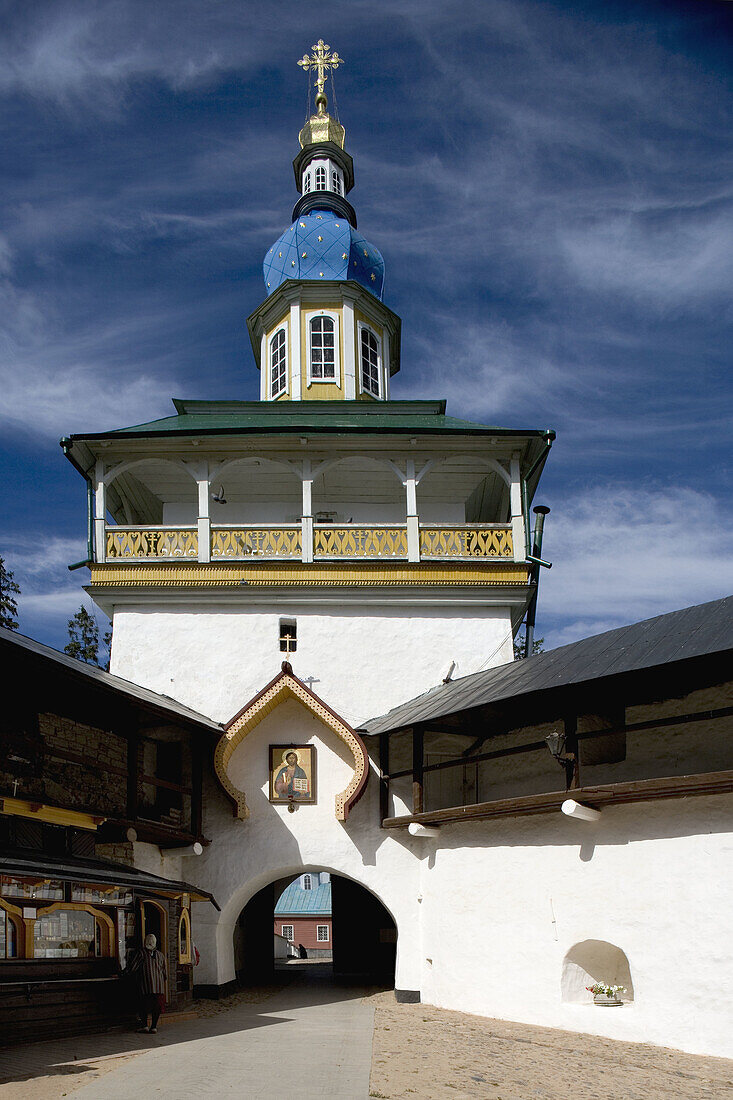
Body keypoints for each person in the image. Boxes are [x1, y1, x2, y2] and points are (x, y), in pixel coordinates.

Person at [127, 932, 167, 1033]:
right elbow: (164, 972)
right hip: (158, 987)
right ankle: (153, 1027)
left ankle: (145, 1025)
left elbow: (133, 968)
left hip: (145, 985)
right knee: (156, 1006)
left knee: (143, 1005)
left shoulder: (141, 953)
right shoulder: (160, 955)